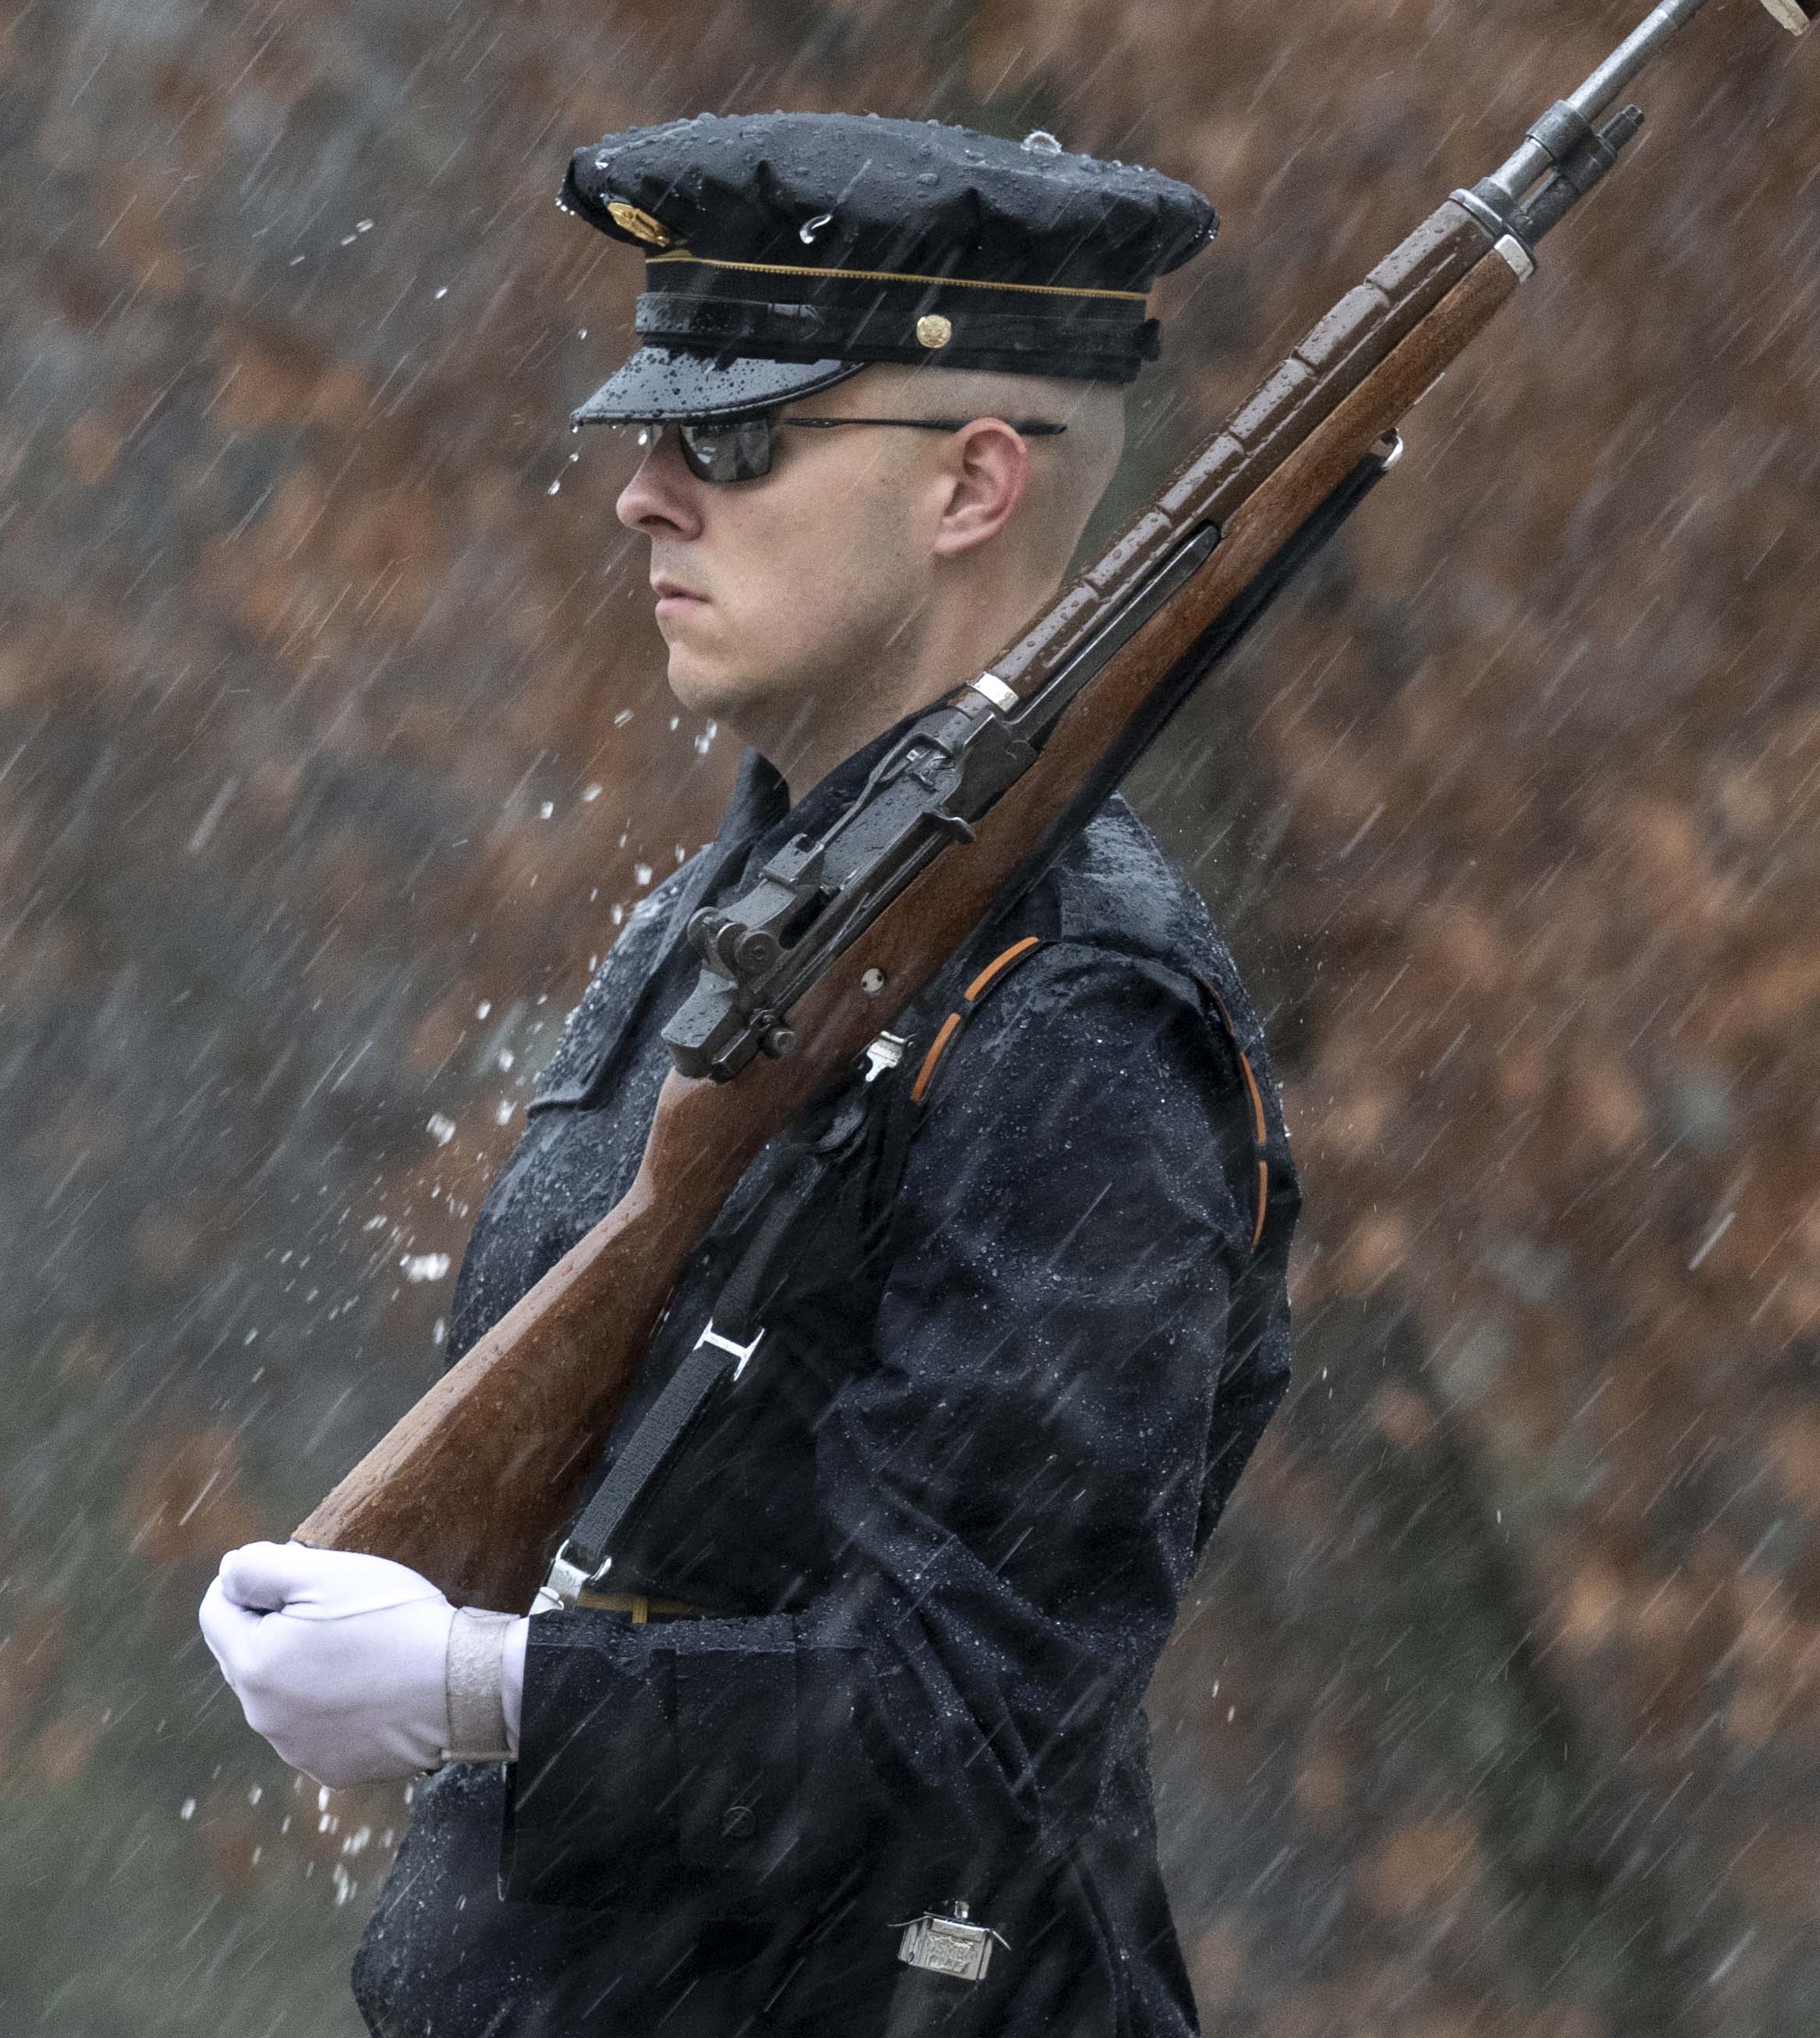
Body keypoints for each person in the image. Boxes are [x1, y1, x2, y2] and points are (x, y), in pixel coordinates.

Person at [199, 112, 1301, 2036]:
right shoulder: (746, 914)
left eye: (731, 440)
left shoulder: (1072, 1014)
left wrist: (487, 1688)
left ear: (971, 485)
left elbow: (971, 1725)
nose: (642, 495)